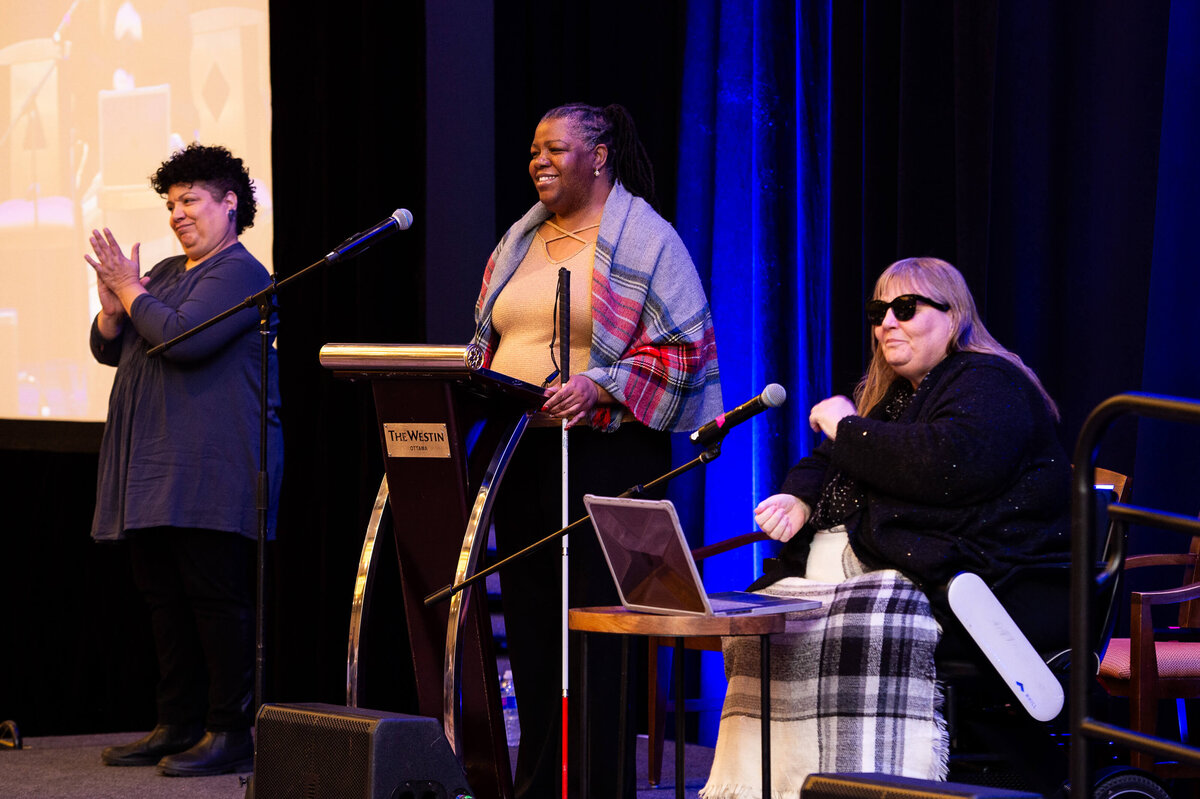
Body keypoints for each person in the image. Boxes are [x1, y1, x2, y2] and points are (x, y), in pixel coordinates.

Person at [701, 257, 1070, 798]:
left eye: (905, 308)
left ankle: (865, 781)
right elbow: (827, 463)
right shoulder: (900, 396)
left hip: (996, 586)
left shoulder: (990, 380)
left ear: (954, 315)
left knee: (821, 620)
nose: (887, 324)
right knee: (774, 623)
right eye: (879, 312)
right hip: (926, 577)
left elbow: (944, 466)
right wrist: (799, 497)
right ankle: (772, 784)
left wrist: (848, 427)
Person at [471, 102, 723, 798]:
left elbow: (685, 351)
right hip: (524, 456)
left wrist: (602, 383)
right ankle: (536, 784)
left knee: (596, 634)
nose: (538, 161)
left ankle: (596, 784)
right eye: (532, 151)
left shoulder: (647, 242)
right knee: (529, 627)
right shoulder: (521, 239)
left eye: (554, 147)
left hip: (606, 461)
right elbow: (489, 339)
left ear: (600, 154)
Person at [86, 143, 282, 777]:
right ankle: (178, 722)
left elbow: (181, 339)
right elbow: (115, 349)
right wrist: (114, 312)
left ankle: (230, 730)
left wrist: (126, 287)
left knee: (214, 598)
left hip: (213, 465)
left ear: (230, 204)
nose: (177, 213)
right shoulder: (167, 272)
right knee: (163, 597)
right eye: (171, 203)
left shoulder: (241, 272)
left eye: (191, 200)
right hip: (155, 466)